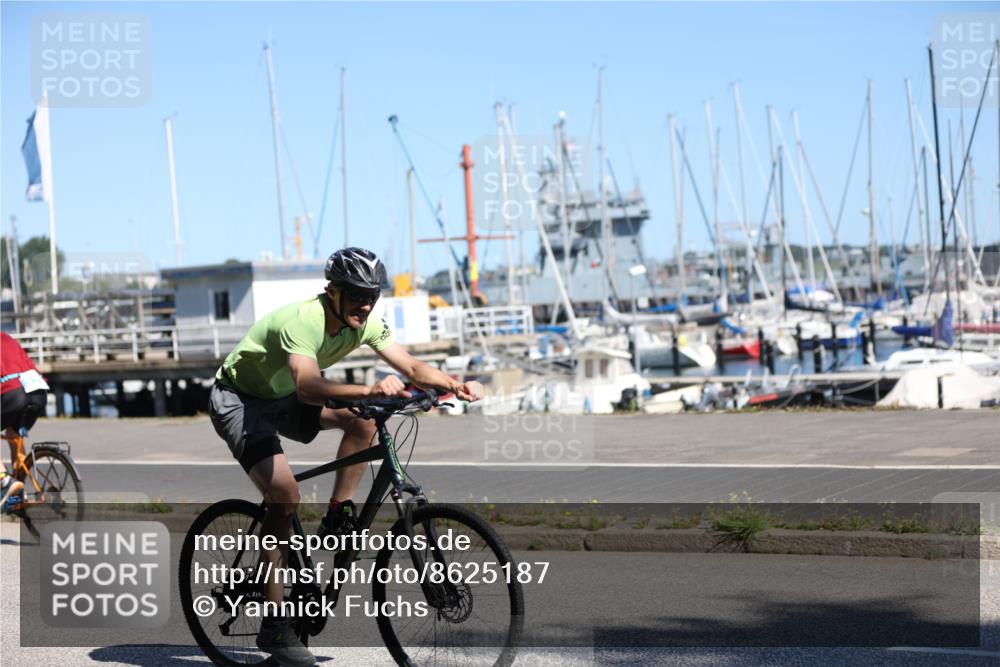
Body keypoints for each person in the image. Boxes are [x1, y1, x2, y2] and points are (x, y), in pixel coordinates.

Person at [208, 247, 482, 667]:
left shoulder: (366, 323)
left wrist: (454, 384)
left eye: (372, 294)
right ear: (332, 290)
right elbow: (307, 386)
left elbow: (409, 365)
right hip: (241, 401)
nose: (365, 303)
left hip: (280, 395)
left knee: (363, 423)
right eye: (356, 294)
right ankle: (274, 625)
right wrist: (368, 390)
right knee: (284, 496)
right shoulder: (304, 321)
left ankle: (339, 513)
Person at [0, 332, 49, 512]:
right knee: (14, 436)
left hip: (14, 393)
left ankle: (4, 480)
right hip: (38, 392)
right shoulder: (7, 338)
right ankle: (17, 494)